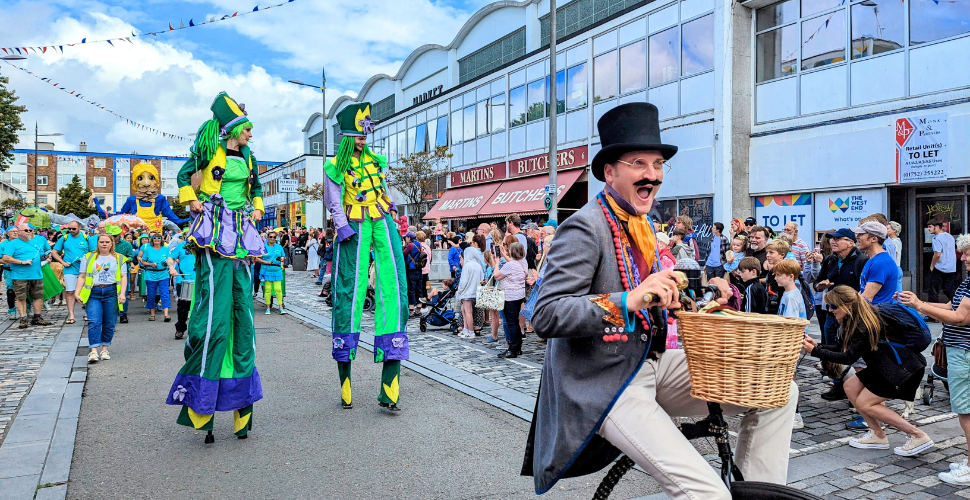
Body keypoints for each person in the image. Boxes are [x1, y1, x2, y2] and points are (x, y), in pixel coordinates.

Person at [522, 103, 797, 498]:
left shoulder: (644, 224)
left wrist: (684, 297)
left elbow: (648, 291)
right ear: (610, 172)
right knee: (705, 492)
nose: (652, 174)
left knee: (780, 391)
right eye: (638, 163)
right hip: (605, 382)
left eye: (658, 164)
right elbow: (546, 315)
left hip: (652, 365)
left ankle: (758, 492)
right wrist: (628, 300)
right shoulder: (585, 226)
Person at [166, 91, 267, 441]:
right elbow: (183, 176)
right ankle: (202, 401)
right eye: (248, 129)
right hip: (214, 228)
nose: (251, 134)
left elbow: (256, 187)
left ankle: (241, 404)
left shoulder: (250, 156)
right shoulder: (212, 149)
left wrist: (257, 206)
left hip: (242, 231)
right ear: (235, 128)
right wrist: (191, 200)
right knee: (215, 318)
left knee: (243, 316)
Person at [322, 102, 409, 412]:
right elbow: (333, 201)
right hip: (354, 226)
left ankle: (391, 389)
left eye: (365, 136)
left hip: (381, 222)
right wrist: (341, 226)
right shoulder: (335, 166)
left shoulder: (375, 160)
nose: (363, 140)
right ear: (346, 137)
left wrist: (391, 205)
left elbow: (382, 188)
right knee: (350, 293)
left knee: (394, 294)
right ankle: (345, 384)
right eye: (358, 137)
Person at [803, 286, 934, 457]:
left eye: (833, 306)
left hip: (902, 370)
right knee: (850, 386)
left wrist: (815, 352)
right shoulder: (855, 320)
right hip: (886, 367)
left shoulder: (864, 324)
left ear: (847, 305)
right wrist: (817, 346)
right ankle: (877, 435)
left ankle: (918, 436)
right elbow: (842, 348)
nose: (830, 310)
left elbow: (848, 357)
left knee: (866, 403)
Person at [896, 233, 970, 485]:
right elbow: (950, 307)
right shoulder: (967, 281)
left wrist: (919, 306)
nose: (964, 257)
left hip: (965, 352)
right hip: (961, 351)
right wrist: (920, 302)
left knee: (967, 411)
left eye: (969, 253)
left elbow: (960, 318)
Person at [75, 234, 128, 364]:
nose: (104, 244)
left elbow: (123, 276)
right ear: (97, 243)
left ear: (111, 244)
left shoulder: (119, 259)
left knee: (109, 322)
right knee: (94, 321)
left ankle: (105, 349)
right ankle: (93, 351)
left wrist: (122, 294)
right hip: (93, 292)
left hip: (111, 291)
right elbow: (82, 276)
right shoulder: (88, 257)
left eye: (107, 242)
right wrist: (77, 292)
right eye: (102, 242)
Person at [91, 163, 188, 233]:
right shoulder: (132, 200)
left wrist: (195, 216)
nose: (146, 183)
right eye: (140, 178)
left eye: (151, 178)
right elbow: (115, 217)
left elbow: (174, 219)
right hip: (137, 238)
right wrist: (96, 201)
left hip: (155, 238)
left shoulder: (160, 199)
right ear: (135, 182)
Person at [2, 225, 53, 329]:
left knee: (38, 297)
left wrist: (46, 256)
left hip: (37, 274)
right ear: (19, 232)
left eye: (30, 230)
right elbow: (6, 258)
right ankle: (23, 318)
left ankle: (37, 317)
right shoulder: (13, 244)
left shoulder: (36, 242)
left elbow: (41, 255)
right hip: (20, 276)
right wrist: (21, 262)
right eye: (26, 230)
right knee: (21, 297)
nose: (29, 232)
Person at [51, 221, 90, 325]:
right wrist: (63, 262)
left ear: (79, 227)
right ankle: (71, 315)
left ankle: (87, 313)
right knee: (70, 291)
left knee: (85, 291)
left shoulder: (86, 237)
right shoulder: (65, 238)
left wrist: (86, 260)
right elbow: (54, 252)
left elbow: (94, 252)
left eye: (74, 229)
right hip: (70, 269)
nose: (71, 231)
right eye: (70, 229)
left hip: (84, 270)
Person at [493, 241, 527, 358]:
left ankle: (512, 348)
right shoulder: (522, 263)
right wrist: (504, 255)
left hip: (510, 297)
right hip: (519, 295)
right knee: (515, 322)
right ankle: (517, 347)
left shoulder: (510, 265)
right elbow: (512, 265)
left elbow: (496, 275)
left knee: (511, 322)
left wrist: (497, 263)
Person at [852, 222, 899, 305]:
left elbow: (867, 298)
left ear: (874, 239)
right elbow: (864, 290)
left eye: (861, 234)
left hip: (877, 315)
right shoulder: (873, 260)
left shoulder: (880, 263)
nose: (857, 237)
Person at [138, 233, 174, 322]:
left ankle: (166, 315)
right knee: (151, 294)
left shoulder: (165, 249)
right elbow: (143, 261)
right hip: (151, 274)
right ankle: (152, 314)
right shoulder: (148, 249)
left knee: (165, 294)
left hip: (163, 274)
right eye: (155, 238)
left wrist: (170, 266)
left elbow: (169, 259)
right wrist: (150, 264)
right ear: (152, 240)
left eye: (158, 238)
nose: (157, 240)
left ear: (161, 240)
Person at [456, 235, 486, 339]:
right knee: (466, 311)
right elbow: (482, 279)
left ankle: (470, 330)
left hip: (467, 292)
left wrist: (459, 292)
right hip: (475, 292)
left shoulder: (467, 266)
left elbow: (463, 281)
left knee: (467, 312)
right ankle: (466, 329)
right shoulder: (478, 265)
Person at [169, 230, 196, 338]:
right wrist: (171, 268)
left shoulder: (204, 246)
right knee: (183, 307)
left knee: (198, 306)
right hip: (183, 280)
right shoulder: (181, 246)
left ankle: (196, 330)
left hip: (200, 280)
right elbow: (170, 258)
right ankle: (180, 328)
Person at [928, 218, 958, 304]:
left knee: (933, 291)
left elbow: (937, 254)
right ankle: (957, 305)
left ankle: (932, 313)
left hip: (940, 267)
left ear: (937, 227)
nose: (928, 229)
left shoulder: (936, 239)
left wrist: (932, 265)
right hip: (951, 267)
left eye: (930, 227)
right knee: (949, 289)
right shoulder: (950, 236)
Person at [257, 232, 286, 315]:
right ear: (267, 237)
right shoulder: (263, 247)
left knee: (278, 290)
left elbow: (283, 256)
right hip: (266, 270)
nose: (272, 239)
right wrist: (266, 262)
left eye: (274, 237)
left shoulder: (279, 247)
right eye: (271, 237)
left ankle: (281, 307)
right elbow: (257, 259)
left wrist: (282, 261)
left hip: (277, 270)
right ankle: (268, 308)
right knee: (268, 290)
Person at [402, 232, 423, 317]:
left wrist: (403, 245)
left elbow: (403, 253)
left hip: (412, 269)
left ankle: (411, 310)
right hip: (419, 269)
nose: (405, 239)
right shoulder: (419, 244)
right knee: (419, 289)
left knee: (411, 290)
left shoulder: (410, 245)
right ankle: (418, 309)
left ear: (409, 238)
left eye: (406, 238)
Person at [417, 230, 432, 303]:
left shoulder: (419, 246)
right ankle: (425, 299)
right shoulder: (427, 246)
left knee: (421, 286)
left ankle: (422, 301)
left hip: (421, 268)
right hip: (427, 267)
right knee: (424, 286)